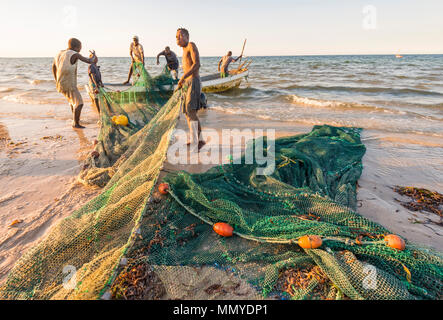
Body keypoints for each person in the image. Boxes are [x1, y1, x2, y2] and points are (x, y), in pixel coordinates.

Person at [52, 38, 97, 128]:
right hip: (69, 84)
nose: (80, 50)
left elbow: (54, 66)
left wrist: (56, 79)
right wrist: (94, 55)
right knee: (79, 103)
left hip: (60, 83)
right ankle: (76, 124)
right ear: (76, 47)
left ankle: (75, 120)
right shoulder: (75, 54)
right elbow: (90, 61)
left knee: (73, 102)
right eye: (80, 47)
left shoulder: (60, 53)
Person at [176, 28, 205, 151]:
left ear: (187, 37)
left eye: (180, 36)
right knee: (187, 112)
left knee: (191, 110)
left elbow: (197, 64)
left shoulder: (191, 45)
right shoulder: (183, 51)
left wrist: (183, 77)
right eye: (176, 36)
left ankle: (200, 140)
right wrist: (183, 81)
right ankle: (194, 139)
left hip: (193, 81)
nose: (177, 38)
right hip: (187, 83)